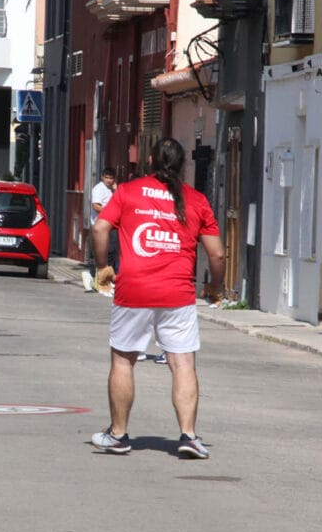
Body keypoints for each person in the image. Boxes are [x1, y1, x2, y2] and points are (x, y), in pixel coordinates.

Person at [89, 138, 226, 459]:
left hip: (132, 290)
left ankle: (119, 435)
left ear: (150, 161)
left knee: (124, 360)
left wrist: (102, 267)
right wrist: (215, 288)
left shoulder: (127, 191)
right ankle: (189, 436)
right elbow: (217, 254)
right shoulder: (196, 200)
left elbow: (99, 229)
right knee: (182, 363)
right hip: (177, 293)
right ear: (183, 165)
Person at [83, 167, 118, 292]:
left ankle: (105, 280)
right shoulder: (99, 188)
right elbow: (95, 205)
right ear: (102, 177)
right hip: (100, 226)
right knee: (100, 254)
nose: (109, 180)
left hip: (112, 224)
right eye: (106, 177)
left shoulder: (113, 190)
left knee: (111, 253)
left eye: (111, 178)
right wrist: (110, 212)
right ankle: (97, 280)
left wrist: (116, 189)